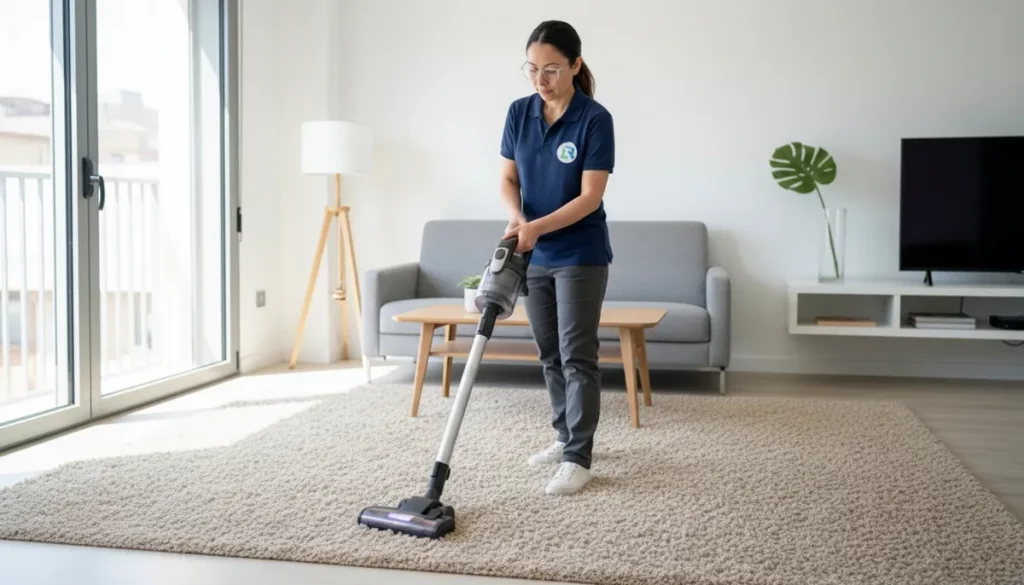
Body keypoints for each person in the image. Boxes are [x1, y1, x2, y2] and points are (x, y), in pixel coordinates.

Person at [498, 20, 615, 495]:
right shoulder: (518, 113)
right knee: (549, 353)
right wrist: (516, 219)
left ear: (575, 66)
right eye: (531, 70)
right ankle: (564, 436)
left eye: (550, 70)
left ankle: (578, 458)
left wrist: (535, 227)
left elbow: (590, 197)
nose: (540, 80)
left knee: (577, 354)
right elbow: (508, 180)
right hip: (533, 253)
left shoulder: (594, 119)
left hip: (580, 253)